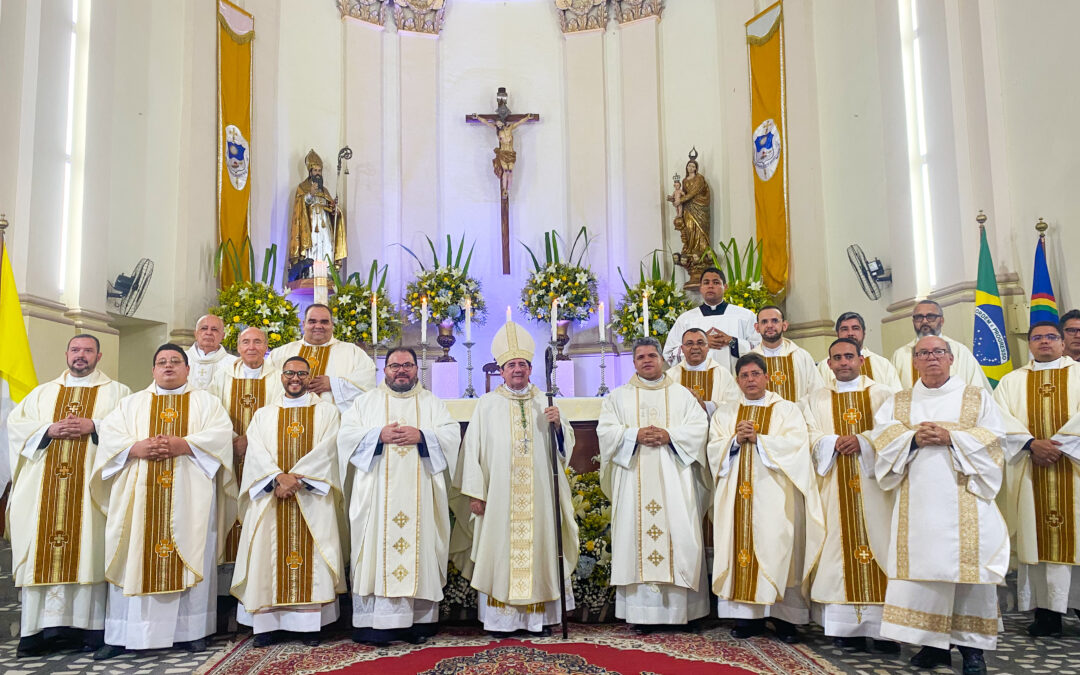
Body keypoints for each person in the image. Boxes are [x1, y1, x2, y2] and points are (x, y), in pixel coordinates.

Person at [869, 336, 1007, 674]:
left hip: (967, 500)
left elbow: (994, 442)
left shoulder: (975, 398)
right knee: (923, 576)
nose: (932, 358)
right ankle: (932, 646)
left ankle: (972, 650)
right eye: (924, 353)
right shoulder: (898, 401)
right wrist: (912, 439)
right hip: (917, 506)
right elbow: (882, 441)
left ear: (951, 358)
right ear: (914, 361)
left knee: (968, 575)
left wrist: (953, 438)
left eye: (938, 352)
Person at [90, 344, 234, 659]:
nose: (168, 366)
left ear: (187, 369)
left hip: (190, 496)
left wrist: (185, 444)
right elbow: (111, 438)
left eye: (175, 362)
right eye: (161, 362)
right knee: (131, 553)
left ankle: (192, 630)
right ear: (153, 370)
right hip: (137, 495)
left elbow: (221, 436)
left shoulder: (206, 403)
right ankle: (122, 632)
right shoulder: (131, 404)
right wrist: (134, 448)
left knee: (192, 548)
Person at [6, 335, 131, 657]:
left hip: (89, 493)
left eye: (87, 351)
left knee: (90, 551)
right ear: (66, 353)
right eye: (75, 350)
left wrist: (94, 424)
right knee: (41, 554)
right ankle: (37, 632)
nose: (81, 356)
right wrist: (47, 430)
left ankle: (88, 629)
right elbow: (16, 426)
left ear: (99, 356)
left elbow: (128, 429)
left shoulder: (117, 393)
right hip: (43, 491)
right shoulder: (42, 393)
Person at [459, 321, 579, 635]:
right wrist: (476, 492)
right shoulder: (486, 404)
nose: (517, 370)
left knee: (540, 547)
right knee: (500, 552)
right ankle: (502, 621)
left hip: (539, 496)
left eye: (523, 365)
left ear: (530, 369)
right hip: (498, 497)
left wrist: (557, 428)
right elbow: (472, 450)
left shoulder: (547, 401)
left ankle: (537, 620)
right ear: (501, 370)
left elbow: (564, 450)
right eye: (511, 365)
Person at [337, 347, 461, 645]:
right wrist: (377, 436)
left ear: (417, 370)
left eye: (407, 365)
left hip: (421, 496)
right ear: (385, 370)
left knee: (420, 549)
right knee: (374, 551)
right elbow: (345, 437)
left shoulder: (432, 403)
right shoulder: (366, 402)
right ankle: (374, 624)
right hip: (376, 498)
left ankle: (418, 622)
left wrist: (423, 437)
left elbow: (451, 435)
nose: (401, 371)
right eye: (395, 366)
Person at [708, 353, 825, 644]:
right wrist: (734, 441)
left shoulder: (786, 409)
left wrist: (761, 439)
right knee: (740, 548)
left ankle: (785, 618)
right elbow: (712, 450)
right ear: (737, 380)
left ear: (766, 377)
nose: (750, 380)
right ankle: (748, 618)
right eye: (744, 375)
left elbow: (797, 447)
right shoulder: (725, 412)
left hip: (776, 496)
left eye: (755, 374)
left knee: (780, 547)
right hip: (736, 496)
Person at [597, 337, 710, 629]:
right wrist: (634, 435)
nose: (647, 361)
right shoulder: (617, 397)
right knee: (636, 537)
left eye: (651, 355)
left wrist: (670, 435)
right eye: (640, 357)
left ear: (662, 359)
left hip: (675, 481)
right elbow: (606, 431)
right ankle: (641, 614)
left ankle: (682, 612)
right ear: (633, 363)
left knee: (679, 534)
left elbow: (699, 428)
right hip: (634, 477)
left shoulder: (682, 395)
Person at [230, 356, 344, 647]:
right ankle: (267, 625)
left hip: (311, 495)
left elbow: (329, 449)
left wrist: (297, 479)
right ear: (281, 376)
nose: (295, 378)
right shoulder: (264, 414)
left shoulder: (328, 412)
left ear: (310, 377)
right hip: (270, 495)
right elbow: (255, 452)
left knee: (313, 555)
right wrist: (276, 478)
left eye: (302, 374)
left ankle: (309, 625)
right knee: (265, 556)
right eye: (290, 373)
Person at [803, 338, 897, 652]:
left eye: (849, 356)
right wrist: (831, 442)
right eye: (837, 358)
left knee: (881, 544)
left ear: (860, 360)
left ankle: (886, 630)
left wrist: (864, 441)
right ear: (828, 364)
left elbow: (894, 432)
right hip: (833, 486)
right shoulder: (815, 398)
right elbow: (809, 433)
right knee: (835, 546)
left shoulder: (883, 394)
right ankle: (844, 627)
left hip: (875, 489)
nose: (843, 362)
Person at [993, 321, 1080, 636]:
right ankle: (1047, 614)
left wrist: (1058, 447)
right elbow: (998, 418)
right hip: (1031, 470)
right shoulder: (1011, 382)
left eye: (1051, 337)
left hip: (1074, 472)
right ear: (1029, 344)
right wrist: (1031, 444)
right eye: (1037, 337)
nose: (1045, 342)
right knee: (1037, 540)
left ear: (1062, 341)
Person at [208, 327, 284, 622]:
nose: (251, 346)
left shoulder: (277, 377)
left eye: (257, 341)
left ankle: (256, 588)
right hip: (229, 456)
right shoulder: (222, 376)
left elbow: (281, 413)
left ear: (266, 346)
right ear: (237, 346)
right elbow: (212, 412)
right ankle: (226, 597)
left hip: (264, 460)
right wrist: (233, 438)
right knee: (227, 517)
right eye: (245, 341)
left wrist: (250, 440)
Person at [267, 303, 375, 413]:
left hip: (336, 425)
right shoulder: (280, 354)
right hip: (289, 419)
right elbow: (268, 388)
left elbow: (368, 385)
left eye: (324, 322)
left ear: (332, 325)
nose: (318, 326)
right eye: (312, 321)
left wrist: (334, 384)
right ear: (304, 324)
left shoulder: (353, 352)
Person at [662, 267, 760, 372]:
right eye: (706, 282)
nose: (710, 286)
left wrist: (733, 342)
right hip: (696, 382)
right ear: (700, 288)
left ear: (725, 287)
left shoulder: (744, 316)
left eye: (716, 282)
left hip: (734, 381)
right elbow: (670, 355)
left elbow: (760, 349)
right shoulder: (686, 319)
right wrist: (699, 344)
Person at [890, 300, 991, 391]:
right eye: (919, 317)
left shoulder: (959, 351)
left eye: (930, 317)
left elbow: (976, 390)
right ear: (913, 322)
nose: (924, 321)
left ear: (942, 321)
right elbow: (894, 394)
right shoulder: (900, 355)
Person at [288, 149, 347, 278]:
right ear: (310, 172)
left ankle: (327, 274)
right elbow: (300, 205)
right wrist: (310, 194)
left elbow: (331, 208)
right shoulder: (302, 187)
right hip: (310, 226)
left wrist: (334, 209)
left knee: (326, 245)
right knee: (313, 248)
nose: (318, 173)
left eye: (319, 171)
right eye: (315, 171)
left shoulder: (324, 190)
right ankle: (310, 275)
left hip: (324, 225)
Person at [750, 305, 824, 405]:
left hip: (798, 417)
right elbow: (741, 396)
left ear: (784, 325)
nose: (769, 325)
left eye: (775, 321)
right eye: (764, 322)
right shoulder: (749, 360)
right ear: (757, 328)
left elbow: (817, 392)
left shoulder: (801, 356)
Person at [816, 312, 901, 392]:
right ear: (837, 334)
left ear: (864, 333)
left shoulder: (882, 364)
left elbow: (895, 397)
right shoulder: (824, 367)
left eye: (855, 328)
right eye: (844, 329)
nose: (850, 333)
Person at [666, 328, 739, 417]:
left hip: (713, 429)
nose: (695, 347)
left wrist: (706, 406)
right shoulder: (670, 376)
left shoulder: (722, 374)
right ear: (682, 348)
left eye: (700, 343)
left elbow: (734, 406)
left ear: (707, 347)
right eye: (689, 343)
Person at [186, 314, 238, 391]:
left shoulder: (234, 364)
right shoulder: (181, 359)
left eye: (214, 329)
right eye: (204, 328)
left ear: (223, 336)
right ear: (196, 334)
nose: (209, 333)